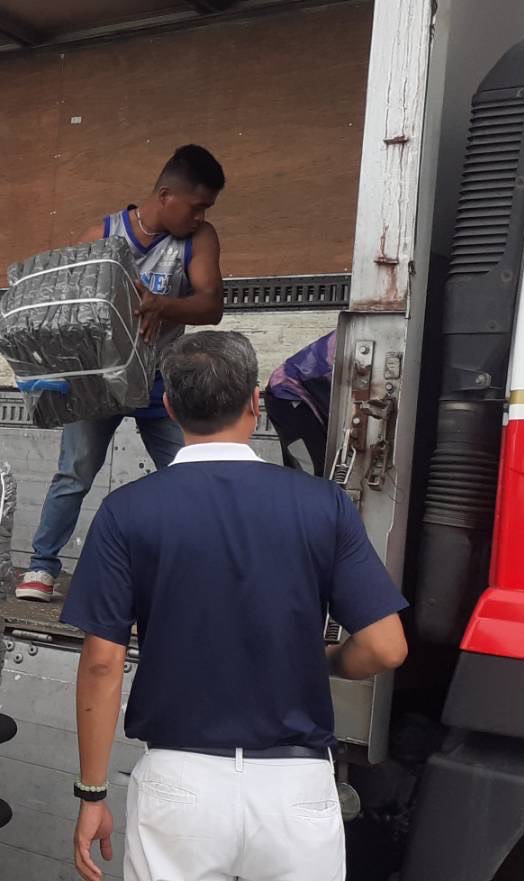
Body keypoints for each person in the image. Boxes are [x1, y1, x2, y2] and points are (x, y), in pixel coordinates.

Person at [59, 331, 409, 881]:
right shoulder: (323, 505)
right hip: (297, 790)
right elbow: (386, 647)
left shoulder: (127, 510)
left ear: (170, 407)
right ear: (254, 401)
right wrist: (330, 661)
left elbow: (102, 663)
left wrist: (92, 793)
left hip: (179, 786)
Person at [17, 144, 228, 602]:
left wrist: (162, 305)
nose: (200, 216)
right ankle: (41, 566)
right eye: (196, 206)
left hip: (161, 379)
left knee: (191, 474)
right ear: (166, 195)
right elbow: (68, 308)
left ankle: (203, 570)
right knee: (74, 472)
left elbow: (212, 305)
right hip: (98, 378)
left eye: (206, 208)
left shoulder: (200, 238)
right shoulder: (102, 234)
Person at [267, 331, 337, 475]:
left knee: (326, 469)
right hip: (287, 394)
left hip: (309, 394)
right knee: (312, 471)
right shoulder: (357, 337)